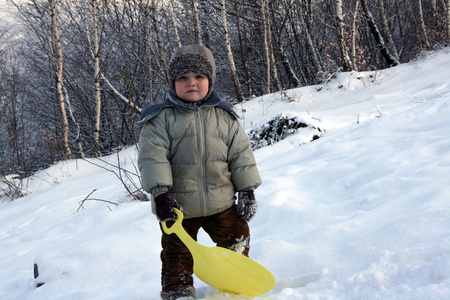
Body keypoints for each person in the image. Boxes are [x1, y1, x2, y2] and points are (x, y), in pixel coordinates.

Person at [138, 45, 262, 300]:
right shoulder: (160, 119)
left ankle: (234, 279)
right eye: (183, 78)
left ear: (210, 80)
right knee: (177, 253)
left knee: (237, 236)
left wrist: (247, 190)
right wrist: (160, 195)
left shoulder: (225, 117)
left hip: (222, 203)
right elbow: (153, 158)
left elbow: (241, 156)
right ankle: (178, 290)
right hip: (178, 208)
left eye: (199, 77)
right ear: (173, 83)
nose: (191, 83)